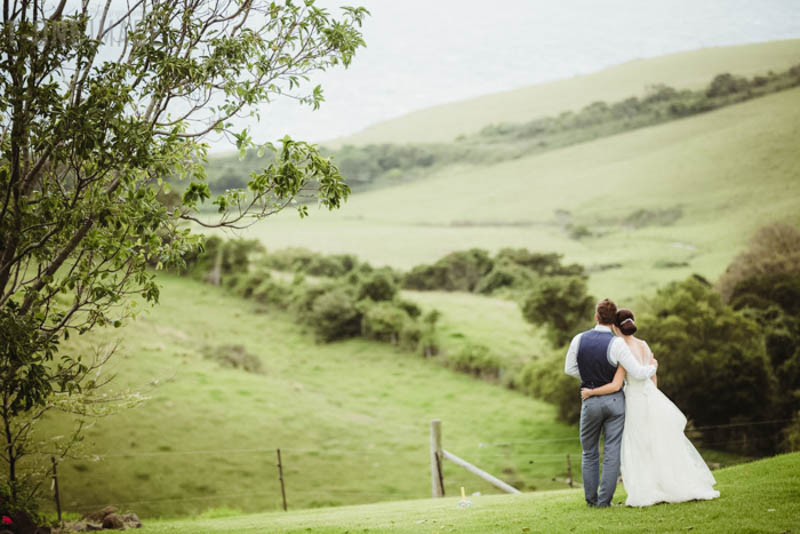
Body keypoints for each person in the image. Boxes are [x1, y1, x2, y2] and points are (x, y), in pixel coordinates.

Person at [581, 308, 720, 507]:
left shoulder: (620, 349)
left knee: (639, 445)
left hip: (635, 400)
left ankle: (648, 489)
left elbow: (616, 385)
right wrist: (651, 390)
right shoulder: (644, 345)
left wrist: (590, 392)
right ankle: (670, 482)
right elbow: (652, 378)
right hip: (651, 397)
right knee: (660, 441)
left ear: (615, 327)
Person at [564, 298, 658, 507]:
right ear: (613, 319)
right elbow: (638, 372)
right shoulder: (617, 343)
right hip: (615, 402)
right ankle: (604, 501)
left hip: (589, 399)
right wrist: (653, 367)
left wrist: (589, 378)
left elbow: (569, 369)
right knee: (612, 451)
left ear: (596, 317)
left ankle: (591, 500)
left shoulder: (579, 339)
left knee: (589, 452)